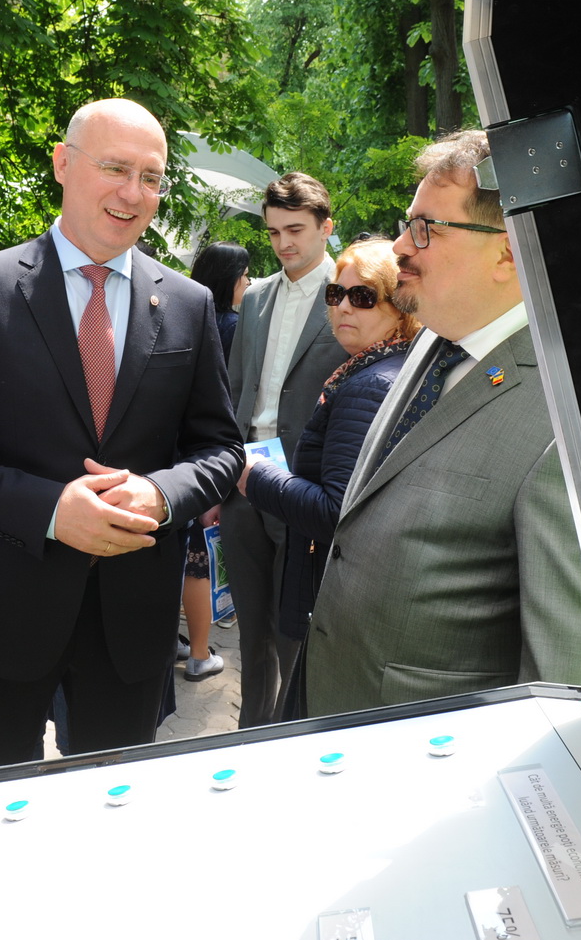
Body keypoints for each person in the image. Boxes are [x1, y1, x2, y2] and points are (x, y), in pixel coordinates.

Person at [0, 97, 242, 766]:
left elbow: (221, 449)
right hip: (5, 611)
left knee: (116, 804)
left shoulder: (189, 303)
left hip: (132, 621)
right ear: (62, 163)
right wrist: (51, 510)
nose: (133, 192)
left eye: (150, 177)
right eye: (115, 168)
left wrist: (160, 495)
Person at [304, 130, 581, 715]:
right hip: (337, 706)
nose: (398, 247)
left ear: (509, 253)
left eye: (425, 229)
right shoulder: (434, 337)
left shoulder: (562, 418)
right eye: (406, 224)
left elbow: (562, 686)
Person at [240, 239, 420, 689]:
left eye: (362, 297)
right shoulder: (388, 366)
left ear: (399, 306)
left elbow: (334, 512)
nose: (342, 307)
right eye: (335, 294)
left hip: (333, 585)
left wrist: (254, 476)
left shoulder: (370, 384)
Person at [222, 172, 348, 727]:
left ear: (326, 226)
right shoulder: (255, 297)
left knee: (295, 627)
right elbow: (234, 389)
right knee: (251, 626)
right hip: (245, 478)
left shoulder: (349, 294)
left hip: (307, 485)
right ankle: (250, 731)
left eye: (295, 230)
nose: (283, 243)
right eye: (273, 232)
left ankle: (295, 729)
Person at [177, 241, 250, 680]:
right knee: (200, 556)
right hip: (211, 455)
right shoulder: (234, 327)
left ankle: (172, 639)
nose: (248, 282)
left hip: (172, 455)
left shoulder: (180, 313)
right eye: (244, 274)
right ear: (231, 279)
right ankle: (200, 653)